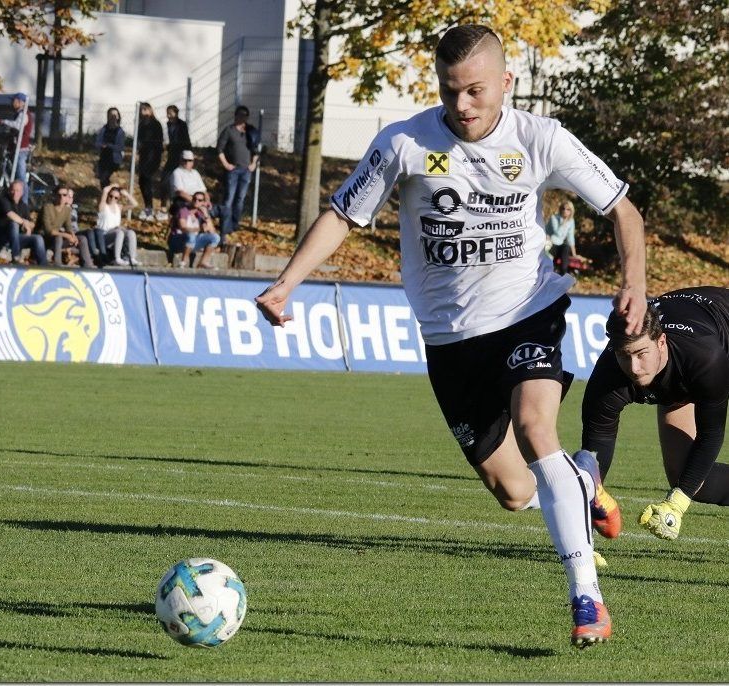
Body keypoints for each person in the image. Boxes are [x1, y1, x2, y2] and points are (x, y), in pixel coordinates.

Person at [254, 25, 647, 648]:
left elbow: (623, 208)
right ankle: (583, 475)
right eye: (449, 91)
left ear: (506, 84)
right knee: (515, 492)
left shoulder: (541, 139)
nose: (461, 105)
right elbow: (342, 214)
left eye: (475, 91)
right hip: (449, 341)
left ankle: (587, 598)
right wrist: (286, 283)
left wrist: (634, 285)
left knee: (535, 425)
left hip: (527, 311)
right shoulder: (405, 143)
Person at [579, 287, 729, 542]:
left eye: (641, 354)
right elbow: (594, 455)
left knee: (687, 485)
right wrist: (583, 539)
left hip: (719, 336)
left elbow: (711, 434)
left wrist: (677, 503)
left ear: (661, 342)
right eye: (625, 356)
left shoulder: (705, 360)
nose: (634, 368)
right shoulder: (607, 377)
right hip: (682, 375)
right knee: (689, 476)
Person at [217, 105, 259, 243]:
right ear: (235, 116)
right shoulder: (229, 131)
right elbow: (219, 149)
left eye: (245, 115)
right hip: (233, 170)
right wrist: (226, 164)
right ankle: (225, 227)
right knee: (229, 198)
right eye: (240, 115)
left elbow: (256, 149)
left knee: (240, 199)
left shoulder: (250, 131)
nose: (243, 117)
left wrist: (253, 163)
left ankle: (234, 225)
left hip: (246, 170)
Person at [0, 180, 46, 265]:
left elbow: (31, 224)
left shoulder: (23, 206)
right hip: (1, 237)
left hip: (16, 239)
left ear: (22, 192)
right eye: (13, 190)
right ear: (9, 190)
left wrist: (28, 226)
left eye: (18, 191)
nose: (15, 193)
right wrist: (24, 222)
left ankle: (43, 266)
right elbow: (10, 215)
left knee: (38, 238)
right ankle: (15, 256)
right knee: (14, 224)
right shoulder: (3, 201)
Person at [0, 93, 34, 204]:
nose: (13, 102)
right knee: (14, 173)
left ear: (21, 102)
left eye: (15, 100)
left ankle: (24, 203)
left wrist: (3, 121)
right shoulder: (18, 113)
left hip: (20, 150)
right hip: (14, 148)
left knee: (21, 179)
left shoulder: (23, 114)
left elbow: (17, 125)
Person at [167, 191, 220, 269]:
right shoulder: (184, 211)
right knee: (191, 235)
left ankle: (203, 262)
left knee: (215, 237)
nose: (196, 201)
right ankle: (183, 262)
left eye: (200, 200)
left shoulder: (200, 214)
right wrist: (199, 229)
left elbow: (212, 232)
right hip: (177, 241)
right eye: (194, 199)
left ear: (204, 203)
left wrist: (206, 216)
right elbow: (183, 228)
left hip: (191, 242)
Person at [94, 184, 140, 267]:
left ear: (118, 199)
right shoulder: (103, 206)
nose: (112, 199)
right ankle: (117, 258)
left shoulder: (119, 207)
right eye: (111, 196)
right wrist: (113, 185)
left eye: (116, 198)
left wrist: (126, 194)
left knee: (131, 233)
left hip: (117, 235)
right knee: (120, 232)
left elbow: (135, 204)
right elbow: (105, 190)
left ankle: (132, 258)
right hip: (104, 236)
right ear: (108, 195)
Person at [135, 102, 165, 222]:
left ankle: (149, 208)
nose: (143, 112)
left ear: (150, 111)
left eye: (145, 110)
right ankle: (147, 206)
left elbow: (158, 142)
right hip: (143, 156)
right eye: (142, 110)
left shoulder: (156, 124)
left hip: (153, 157)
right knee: (142, 181)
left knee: (147, 180)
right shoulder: (141, 124)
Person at [160, 104, 191, 207]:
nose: (168, 115)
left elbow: (185, 140)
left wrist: (187, 155)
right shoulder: (169, 124)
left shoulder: (181, 124)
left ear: (176, 113)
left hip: (180, 154)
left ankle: (179, 204)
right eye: (167, 113)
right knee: (165, 179)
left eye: (170, 113)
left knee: (178, 179)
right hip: (172, 154)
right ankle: (165, 204)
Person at [545, 200, 582, 275]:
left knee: (566, 248)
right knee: (551, 261)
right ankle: (551, 272)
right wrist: (564, 222)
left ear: (571, 211)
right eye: (563, 209)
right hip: (551, 244)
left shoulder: (571, 221)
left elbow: (570, 237)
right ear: (560, 209)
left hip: (560, 245)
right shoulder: (554, 218)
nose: (565, 211)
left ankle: (563, 273)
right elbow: (557, 234)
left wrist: (574, 254)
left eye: (568, 209)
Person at [95, 107, 126, 189]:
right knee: (102, 180)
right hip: (104, 158)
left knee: (105, 178)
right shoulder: (103, 129)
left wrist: (108, 146)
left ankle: (108, 195)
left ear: (118, 117)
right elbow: (98, 142)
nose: (113, 117)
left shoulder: (120, 132)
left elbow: (120, 147)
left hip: (114, 160)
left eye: (115, 115)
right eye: (111, 115)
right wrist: (101, 146)